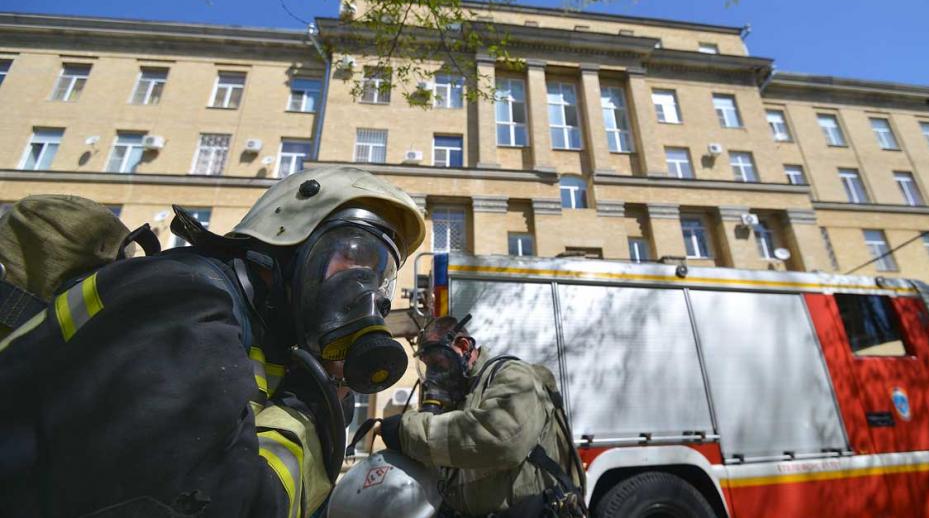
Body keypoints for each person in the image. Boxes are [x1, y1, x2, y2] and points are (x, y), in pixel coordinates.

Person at [0, 166, 425, 518]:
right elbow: (219, 503)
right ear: (286, 241)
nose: (366, 287)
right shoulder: (179, 297)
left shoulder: (270, 343)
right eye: (353, 257)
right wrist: (312, 408)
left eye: (378, 272)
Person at [378, 315, 587, 518]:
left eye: (437, 362)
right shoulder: (460, 397)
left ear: (464, 345)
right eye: (427, 365)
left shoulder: (513, 375)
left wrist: (407, 431)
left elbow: (502, 438)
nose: (432, 373)